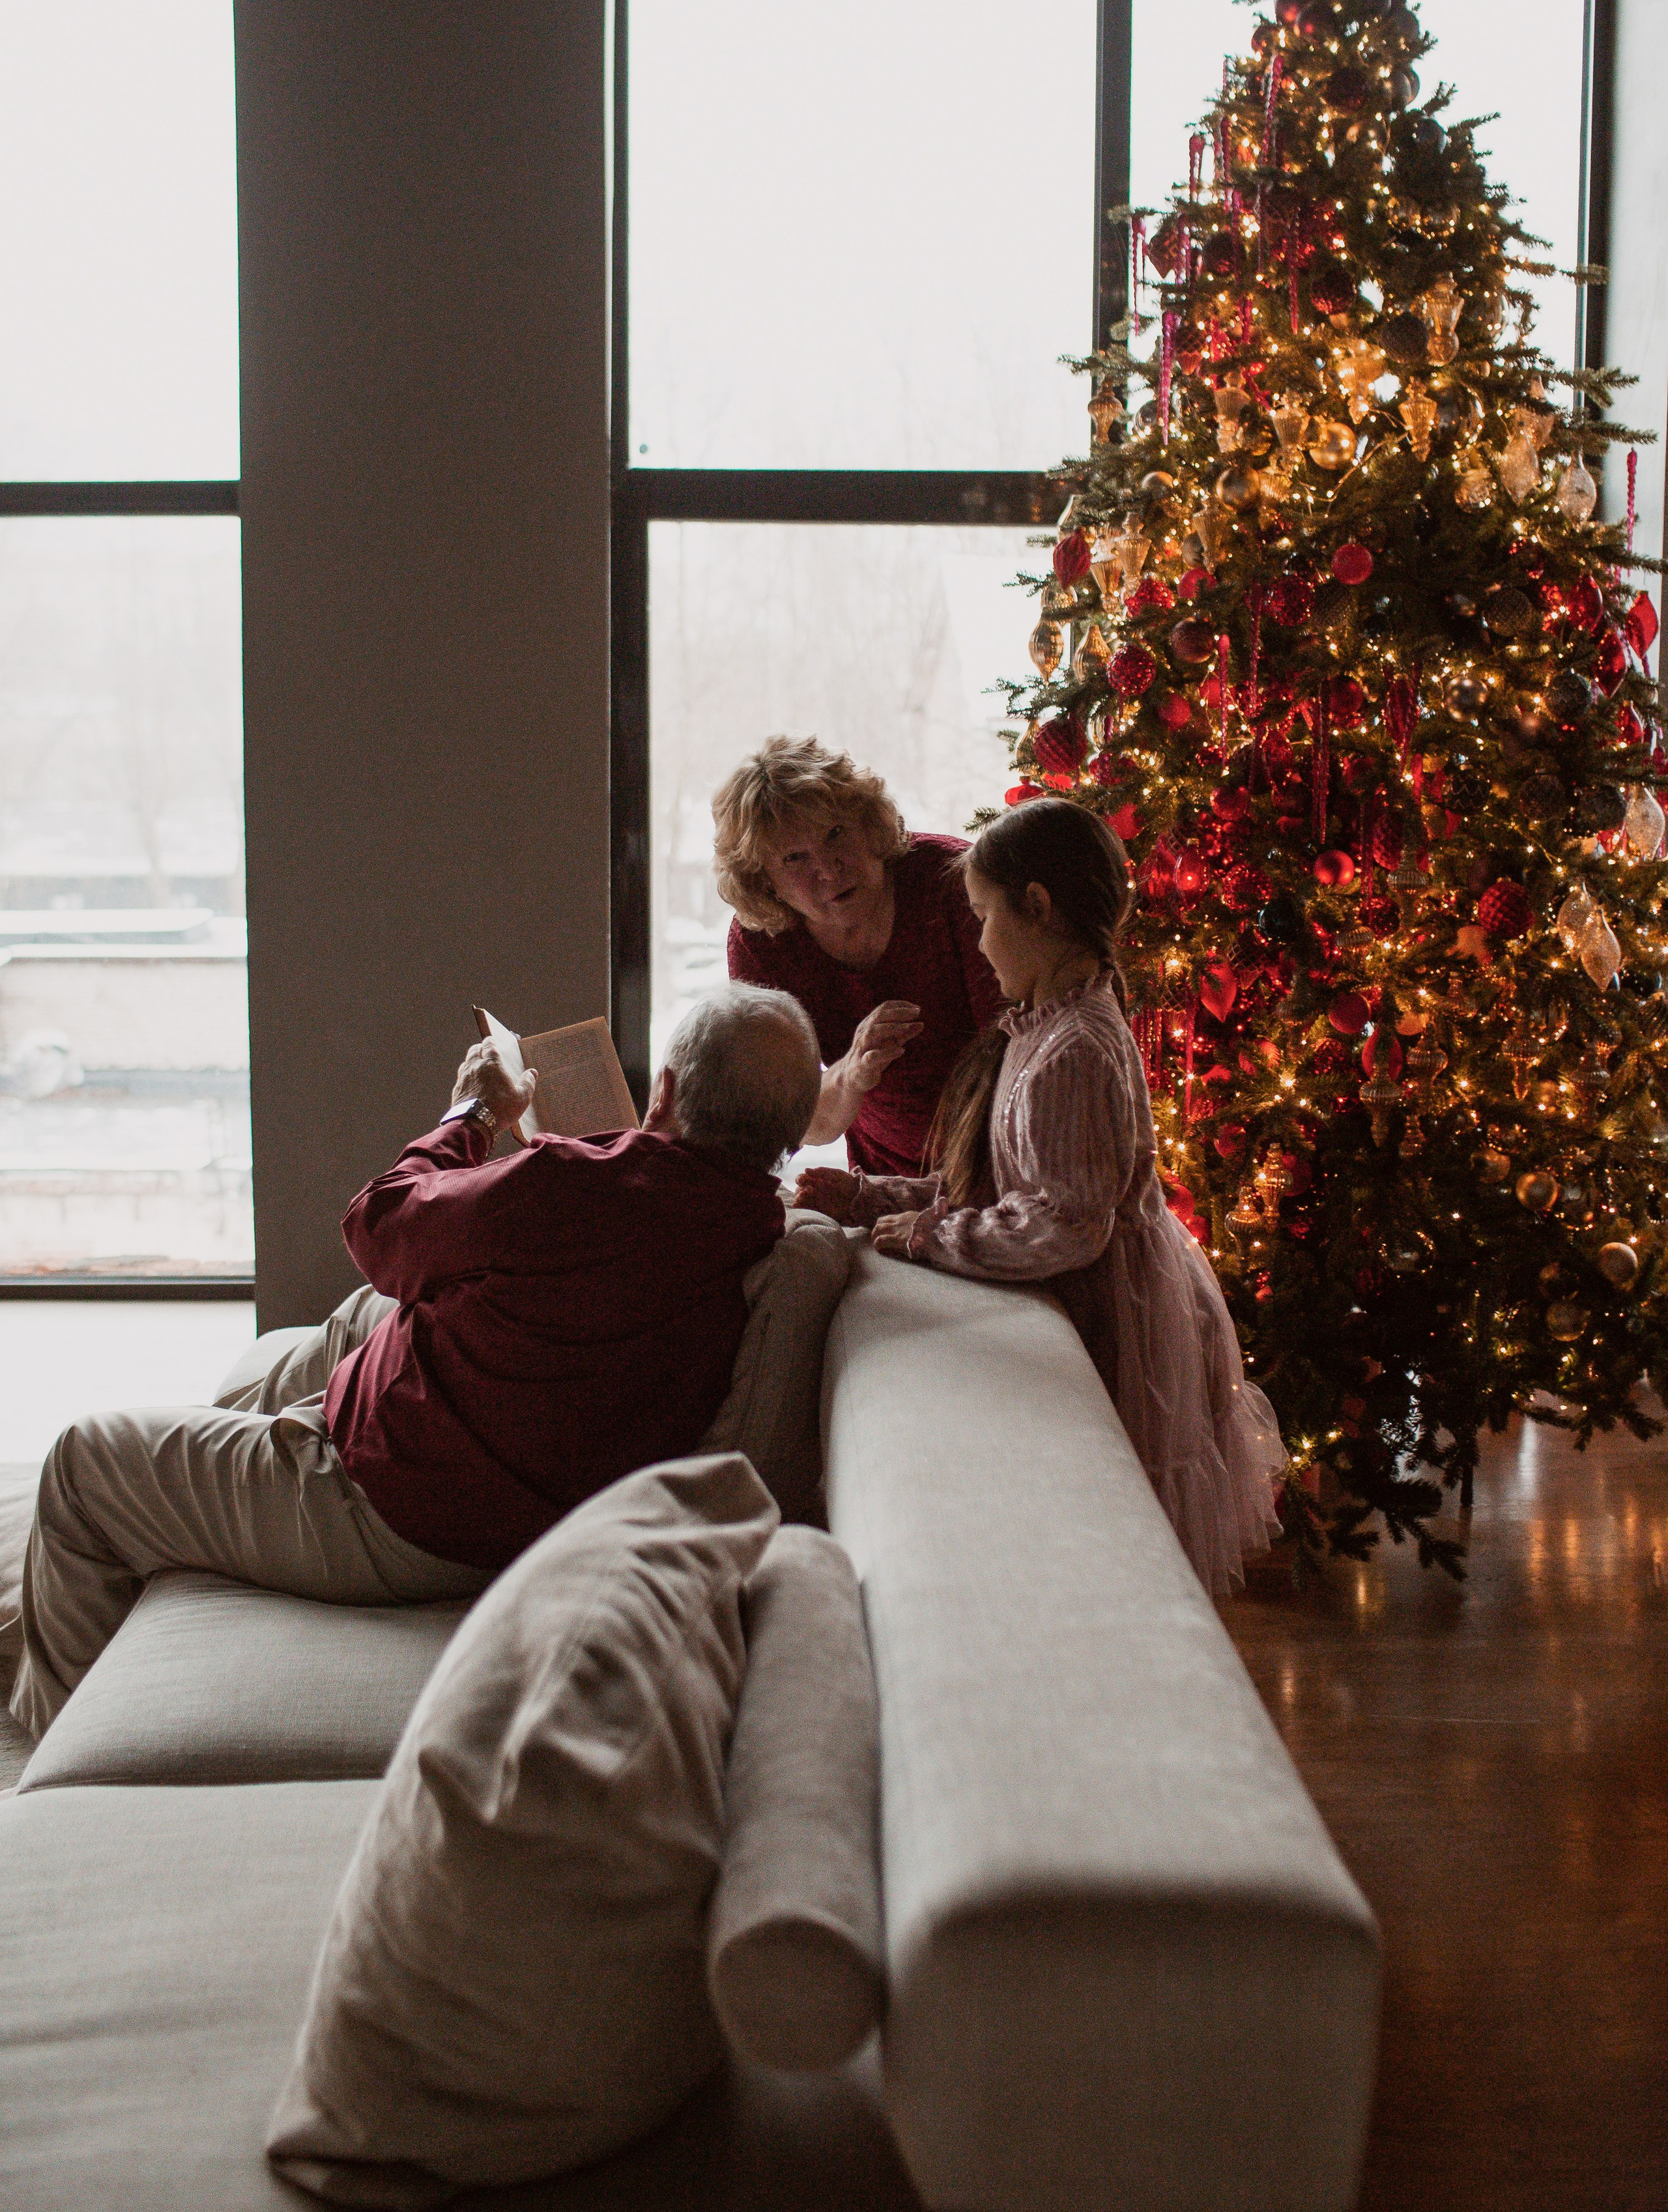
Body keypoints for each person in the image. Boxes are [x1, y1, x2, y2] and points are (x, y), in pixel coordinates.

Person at [8, 984, 820, 1737]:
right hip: (501, 1484)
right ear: (789, 1136)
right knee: (336, 1331)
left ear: (664, 1091)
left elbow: (379, 1223)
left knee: (83, 1465)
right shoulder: (758, 1227)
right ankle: (97, 1573)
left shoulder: (575, 1187)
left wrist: (474, 1112)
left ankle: (49, 1749)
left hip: (390, 1502)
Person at [794, 796, 1286, 1596]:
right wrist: (865, 1196)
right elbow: (1000, 1182)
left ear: (1036, 908)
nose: (979, 941)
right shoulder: (1042, 1027)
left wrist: (924, 1236)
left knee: (1119, 1543)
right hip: (1088, 1298)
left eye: (985, 916)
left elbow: (1062, 1226)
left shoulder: (1074, 1049)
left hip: (1109, 1317)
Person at [717, 735, 1002, 1175]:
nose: (829, 868)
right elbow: (793, 1121)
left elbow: (1018, 1057)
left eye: (836, 834)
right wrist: (850, 1074)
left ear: (868, 823)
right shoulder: (760, 944)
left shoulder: (952, 881)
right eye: (795, 858)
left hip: (1005, 1165)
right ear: (764, 880)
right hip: (883, 1180)